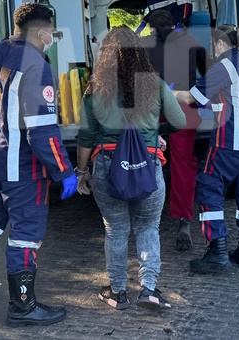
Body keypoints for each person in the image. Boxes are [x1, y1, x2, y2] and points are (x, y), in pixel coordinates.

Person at [0, 2, 79, 327]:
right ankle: (22, 307)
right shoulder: (36, 65)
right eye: (50, 31)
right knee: (25, 232)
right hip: (20, 166)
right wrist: (64, 172)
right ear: (42, 31)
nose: (51, 37)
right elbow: (42, 131)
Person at [74, 27, 187, 310]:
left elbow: (86, 138)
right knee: (148, 227)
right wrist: (153, 133)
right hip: (147, 165)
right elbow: (180, 121)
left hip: (108, 167)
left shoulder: (95, 90)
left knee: (115, 230)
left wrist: (81, 172)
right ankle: (148, 290)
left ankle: (117, 293)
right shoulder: (154, 84)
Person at [173, 25, 239, 274]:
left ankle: (217, 249)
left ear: (219, 44)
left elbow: (193, 98)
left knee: (208, 184)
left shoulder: (225, 65)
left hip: (231, 141)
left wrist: (167, 92)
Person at [142, 9, 208, 251]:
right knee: (183, 162)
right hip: (183, 105)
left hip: (151, 107)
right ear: (174, 25)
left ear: (151, 27)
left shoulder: (142, 44)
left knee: (148, 158)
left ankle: (147, 217)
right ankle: (183, 220)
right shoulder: (190, 41)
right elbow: (207, 72)